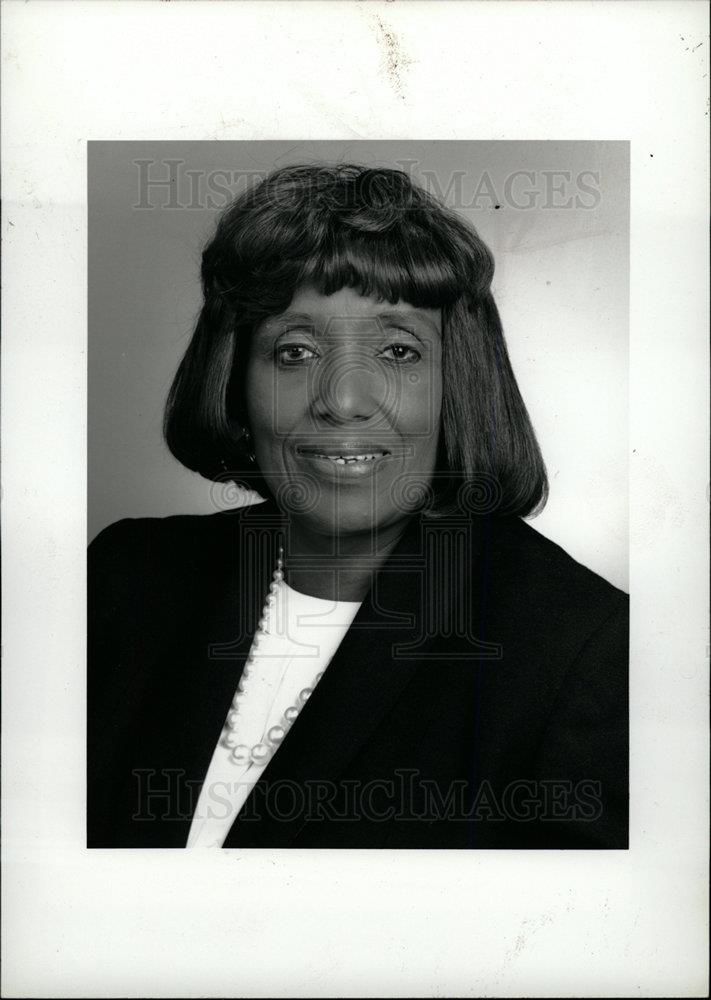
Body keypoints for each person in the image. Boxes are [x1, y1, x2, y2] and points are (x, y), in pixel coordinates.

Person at [88, 163, 628, 849]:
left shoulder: (576, 647)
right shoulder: (124, 578)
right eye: (294, 351)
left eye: (398, 350)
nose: (342, 400)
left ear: (456, 382)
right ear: (233, 379)